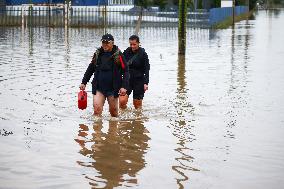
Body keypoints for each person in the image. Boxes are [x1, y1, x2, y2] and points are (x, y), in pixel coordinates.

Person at [79, 34, 129, 117]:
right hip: (99, 87)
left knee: (114, 114)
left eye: (107, 42)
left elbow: (126, 71)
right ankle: (97, 130)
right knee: (97, 111)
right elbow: (91, 68)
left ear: (112, 43)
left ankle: (113, 129)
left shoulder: (119, 55)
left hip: (113, 89)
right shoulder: (98, 54)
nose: (105, 44)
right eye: (103, 42)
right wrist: (84, 82)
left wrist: (124, 86)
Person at [119, 35, 150, 109]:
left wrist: (146, 83)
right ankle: (124, 118)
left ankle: (138, 119)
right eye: (131, 44)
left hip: (139, 81)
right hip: (127, 80)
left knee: (137, 106)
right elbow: (120, 66)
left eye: (134, 44)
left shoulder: (143, 54)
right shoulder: (126, 52)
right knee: (122, 101)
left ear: (138, 43)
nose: (132, 46)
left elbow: (147, 69)